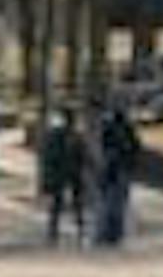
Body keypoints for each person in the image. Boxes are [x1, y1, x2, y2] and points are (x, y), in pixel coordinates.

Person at [38, 108, 89, 246]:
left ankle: (56, 231)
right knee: (71, 203)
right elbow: (83, 156)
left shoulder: (56, 135)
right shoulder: (73, 136)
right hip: (69, 173)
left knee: (62, 203)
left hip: (64, 173)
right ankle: (75, 229)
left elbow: (48, 156)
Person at [96, 102, 142, 247]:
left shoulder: (109, 129)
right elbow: (136, 148)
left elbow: (104, 148)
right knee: (118, 203)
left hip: (112, 171)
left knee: (108, 203)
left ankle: (106, 233)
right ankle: (115, 233)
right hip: (122, 170)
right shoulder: (127, 130)